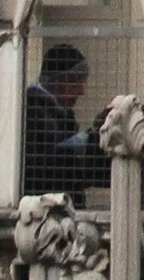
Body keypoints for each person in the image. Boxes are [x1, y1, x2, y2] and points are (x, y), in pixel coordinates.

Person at [21, 42, 101, 197]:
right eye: (78, 83)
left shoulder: (56, 111)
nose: (82, 91)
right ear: (61, 82)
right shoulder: (32, 111)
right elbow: (48, 165)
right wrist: (89, 139)